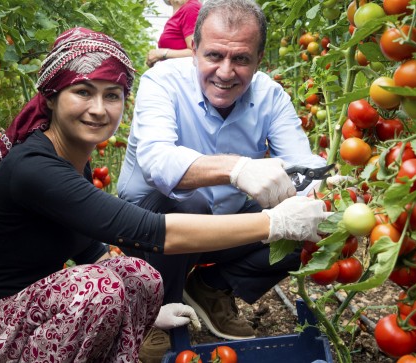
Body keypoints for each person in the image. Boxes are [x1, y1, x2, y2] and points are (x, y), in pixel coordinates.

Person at [0, 27, 330, 362]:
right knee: (96, 290)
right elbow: (148, 230)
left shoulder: (71, 161)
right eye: (83, 92)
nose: (99, 109)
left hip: (22, 323)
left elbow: (91, 251)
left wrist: (147, 309)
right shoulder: (33, 167)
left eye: (112, 95)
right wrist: (273, 223)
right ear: (50, 98)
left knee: (136, 275)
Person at [117, 0, 330, 360]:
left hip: (223, 224)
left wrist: (317, 197)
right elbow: (157, 161)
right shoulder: (162, 82)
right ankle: (155, 313)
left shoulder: (270, 95)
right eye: (214, 55)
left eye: (242, 59)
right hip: (150, 231)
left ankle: (212, 288)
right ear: (193, 49)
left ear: (259, 60)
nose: (226, 72)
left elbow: (302, 163)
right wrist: (237, 168)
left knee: (303, 225)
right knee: (190, 201)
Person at [146, 0, 201, 67]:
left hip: (182, 73)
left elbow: (196, 50)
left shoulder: (191, 8)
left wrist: (162, 53)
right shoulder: (182, 11)